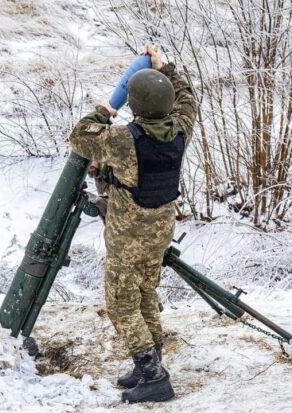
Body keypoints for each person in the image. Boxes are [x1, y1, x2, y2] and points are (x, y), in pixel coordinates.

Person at [69, 46, 197, 403]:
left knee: (120, 304)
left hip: (128, 236)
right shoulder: (181, 128)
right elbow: (187, 96)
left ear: (135, 105)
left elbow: (79, 136)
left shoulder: (122, 139)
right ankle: (148, 366)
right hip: (159, 230)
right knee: (144, 294)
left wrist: (107, 108)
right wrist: (164, 67)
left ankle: (154, 376)